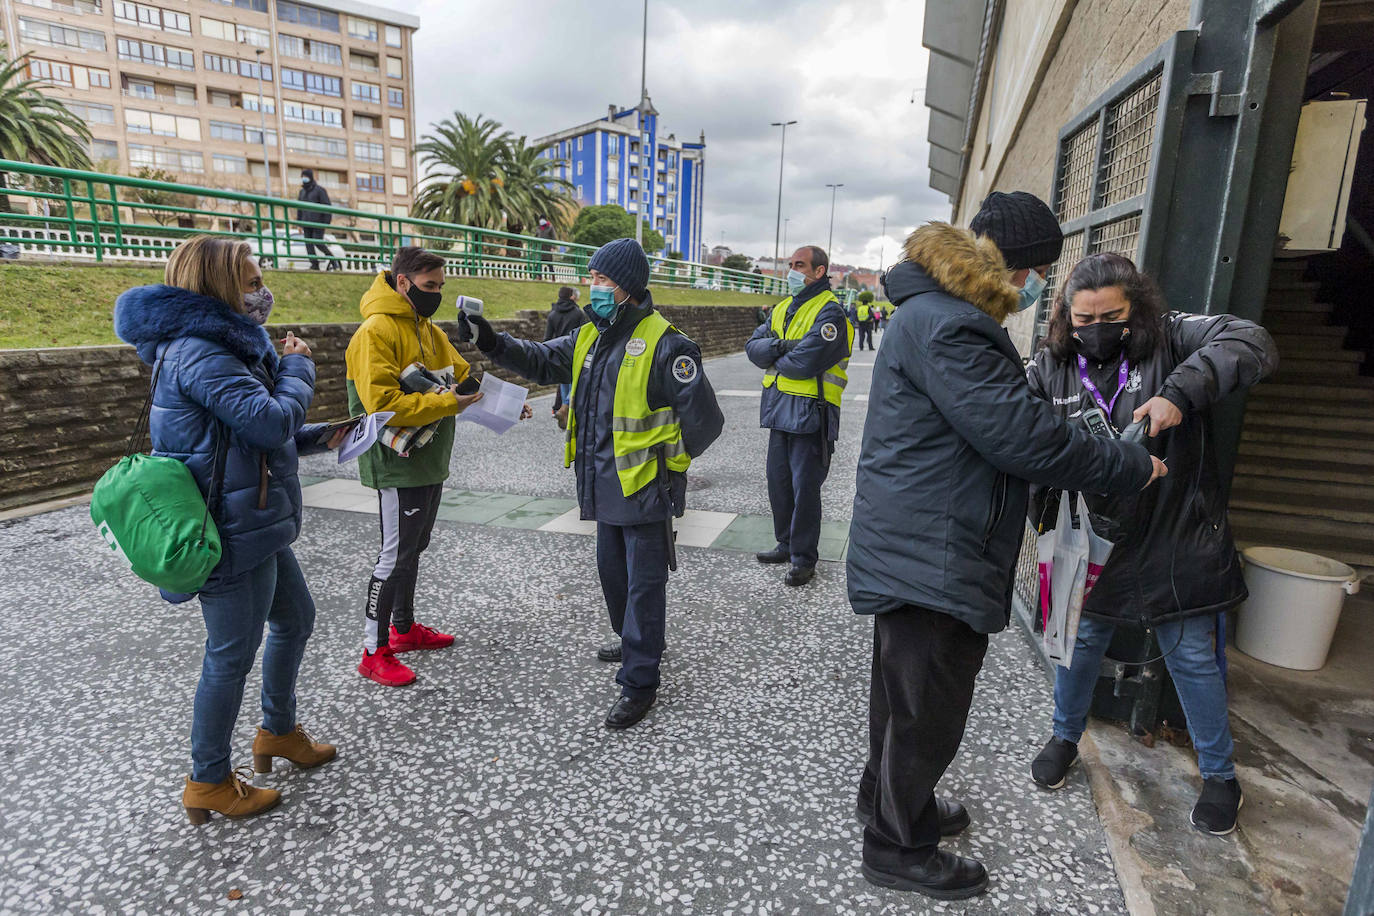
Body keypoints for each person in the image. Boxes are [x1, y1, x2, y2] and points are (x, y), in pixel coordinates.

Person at [846, 195, 1167, 900]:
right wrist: (1127, 464)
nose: (1035, 289)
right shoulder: (952, 328)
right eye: (1039, 273)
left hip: (920, 540)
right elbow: (1024, 437)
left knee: (903, 700)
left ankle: (890, 804)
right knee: (925, 710)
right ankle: (897, 848)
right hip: (934, 551)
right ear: (1013, 263)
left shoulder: (933, 313)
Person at [1025, 252, 1277, 836]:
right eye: (1081, 318)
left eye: (1109, 315)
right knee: (1078, 642)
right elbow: (1024, 432)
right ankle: (1065, 738)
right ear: (1066, 315)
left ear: (1133, 307)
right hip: (1089, 538)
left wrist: (1180, 394)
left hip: (1173, 536)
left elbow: (1251, 340)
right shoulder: (1050, 366)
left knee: (1191, 657)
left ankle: (1221, 777)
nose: (1095, 329)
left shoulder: (1172, 338)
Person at [114, 236, 343, 824]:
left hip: (256, 521)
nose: (261, 292)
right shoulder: (201, 352)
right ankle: (209, 779)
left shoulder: (225, 346)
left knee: (295, 619)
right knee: (229, 655)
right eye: (250, 282)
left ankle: (278, 732)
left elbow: (245, 434)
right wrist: (298, 367)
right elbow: (267, 421)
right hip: (229, 530)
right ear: (218, 286)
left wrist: (321, 435)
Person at [460, 238, 725, 729]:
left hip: (644, 488)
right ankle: (631, 642)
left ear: (626, 286)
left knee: (644, 586)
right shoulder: (590, 335)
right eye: (593, 277)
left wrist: (672, 467)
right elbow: (540, 359)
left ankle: (640, 681)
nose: (594, 286)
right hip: (603, 485)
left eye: (602, 279)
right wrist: (491, 340)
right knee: (613, 576)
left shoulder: (668, 343)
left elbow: (705, 422)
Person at [345, 247, 489, 687]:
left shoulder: (428, 329)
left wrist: (501, 404)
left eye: (441, 287)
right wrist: (450, 400)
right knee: (394, 554)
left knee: (413, 547)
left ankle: (403, 629)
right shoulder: (375, 332)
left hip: (429, 459)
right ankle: (373, 650)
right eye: (430, 287)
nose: (437, 294)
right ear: (402, 282)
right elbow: (382, 403)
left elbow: (463, 378)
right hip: (396, 463)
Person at [745, 245, 853, 587]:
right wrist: (782, 348)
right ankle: (786, 544)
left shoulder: (831, 312)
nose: (792, 270)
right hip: (778, 409)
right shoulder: (781, 309)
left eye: (799, 265)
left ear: (819, 271)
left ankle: (804, 558)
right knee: (778, 484)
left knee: (805, 489)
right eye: (790, 264)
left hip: (812, 411)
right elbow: (753, 348)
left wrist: (776, 353)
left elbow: (806, 362)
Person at [544, 285, 586, 427]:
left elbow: (547, 338)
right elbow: (583, 334)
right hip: (574, 351)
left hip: (558, 353)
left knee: (564, 382)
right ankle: (566, 407)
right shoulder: (578, 313)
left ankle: (564, 406)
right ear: (571, 296)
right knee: (576, 382)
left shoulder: (552, 314)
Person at [296, 169, 334, 271]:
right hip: (306, 222)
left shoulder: (319, 190)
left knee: (318, 242)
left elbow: (327, 207)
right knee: (308, 244)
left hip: (318, 222)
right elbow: (299, 208)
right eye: (302, 176)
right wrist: (299, 223)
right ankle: (314, 264)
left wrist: (325, 222)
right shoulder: (302, 192)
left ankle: (333, 260)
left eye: (306, 176)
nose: (304, 178)